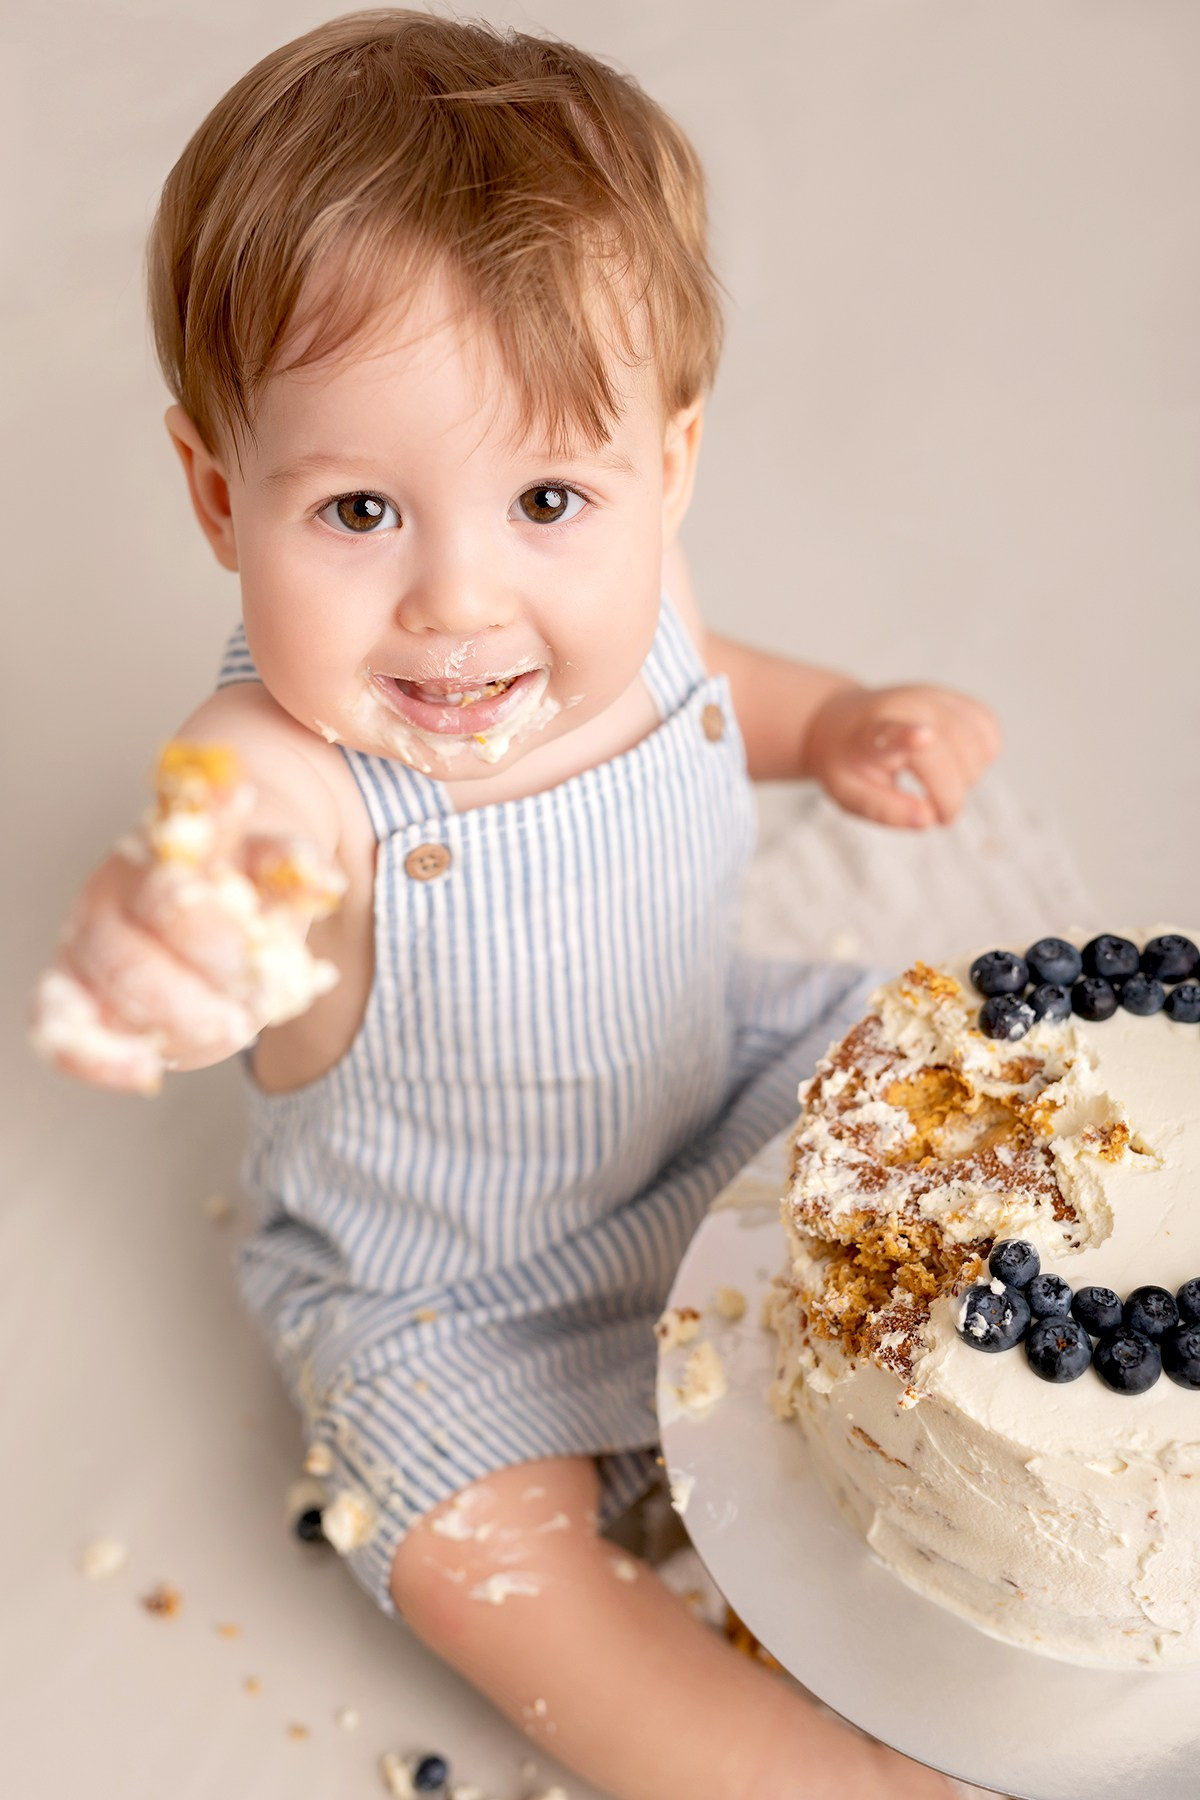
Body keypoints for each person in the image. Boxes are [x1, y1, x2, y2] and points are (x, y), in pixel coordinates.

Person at [32, 13, 998, 1796]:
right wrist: (165, 934)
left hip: (711, 1114)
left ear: (670, 468)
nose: (460, 599)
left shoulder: (643, 604)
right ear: (214, 492)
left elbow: (716, 691)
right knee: (479, 1550)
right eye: (358, 510)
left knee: (968, 1102)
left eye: (548, 494)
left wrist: (840, 723)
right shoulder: (290, 767)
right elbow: (226, 850)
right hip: (446, 1288)